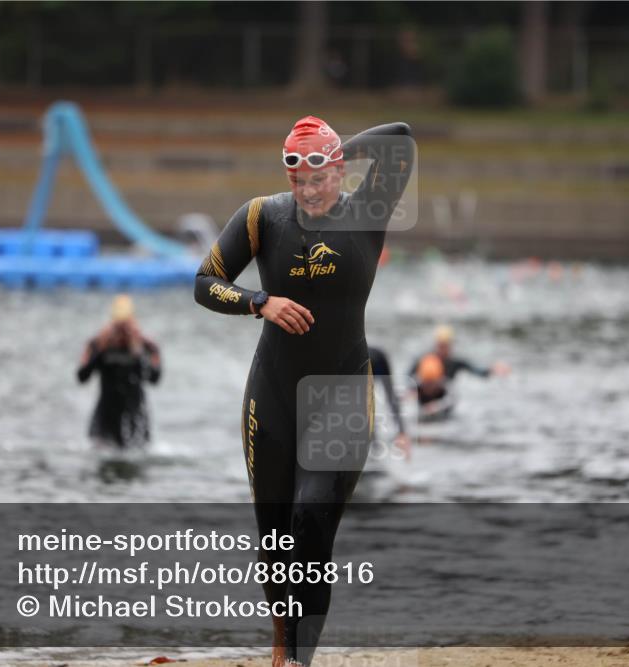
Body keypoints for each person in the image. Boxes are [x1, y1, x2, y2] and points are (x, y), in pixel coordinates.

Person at [194, 115, 413, 666]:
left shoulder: (368, 210)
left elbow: (402, 139)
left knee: (310, 523)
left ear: (339, 170)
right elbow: (204, 282)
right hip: (271, 393)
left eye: (319, 177)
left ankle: (296, 659)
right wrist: (259, 302)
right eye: (298, 180)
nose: (309, 190)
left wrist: (329, 147)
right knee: (274, 537)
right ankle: (281, 641)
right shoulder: (262, 217)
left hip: (340, 394)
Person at [77, 294, 161, 449]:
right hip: (105, 417)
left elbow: (155, 378)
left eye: (125, 325)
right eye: (119, 325)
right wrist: (101, 350)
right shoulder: (98, 343)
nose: (122, 331)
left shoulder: (147, 345)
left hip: (136, 417)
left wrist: (138, 352)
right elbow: (82, 377)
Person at [409, 325, 510, 419]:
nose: (444, 349)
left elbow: (477, 371)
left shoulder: (454, 364)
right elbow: (408, 377)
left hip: (445, 400)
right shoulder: (425, 360)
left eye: (446, 345)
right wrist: (412, 390)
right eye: (441, 345)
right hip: (425, 400)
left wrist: (492, 370)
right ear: (436, 344)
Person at [368, 345, 411, 459]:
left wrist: (402, 432)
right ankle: (374, 446)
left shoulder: (378, 360)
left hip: (378, 361)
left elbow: (391, 398)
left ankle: (376, 447)